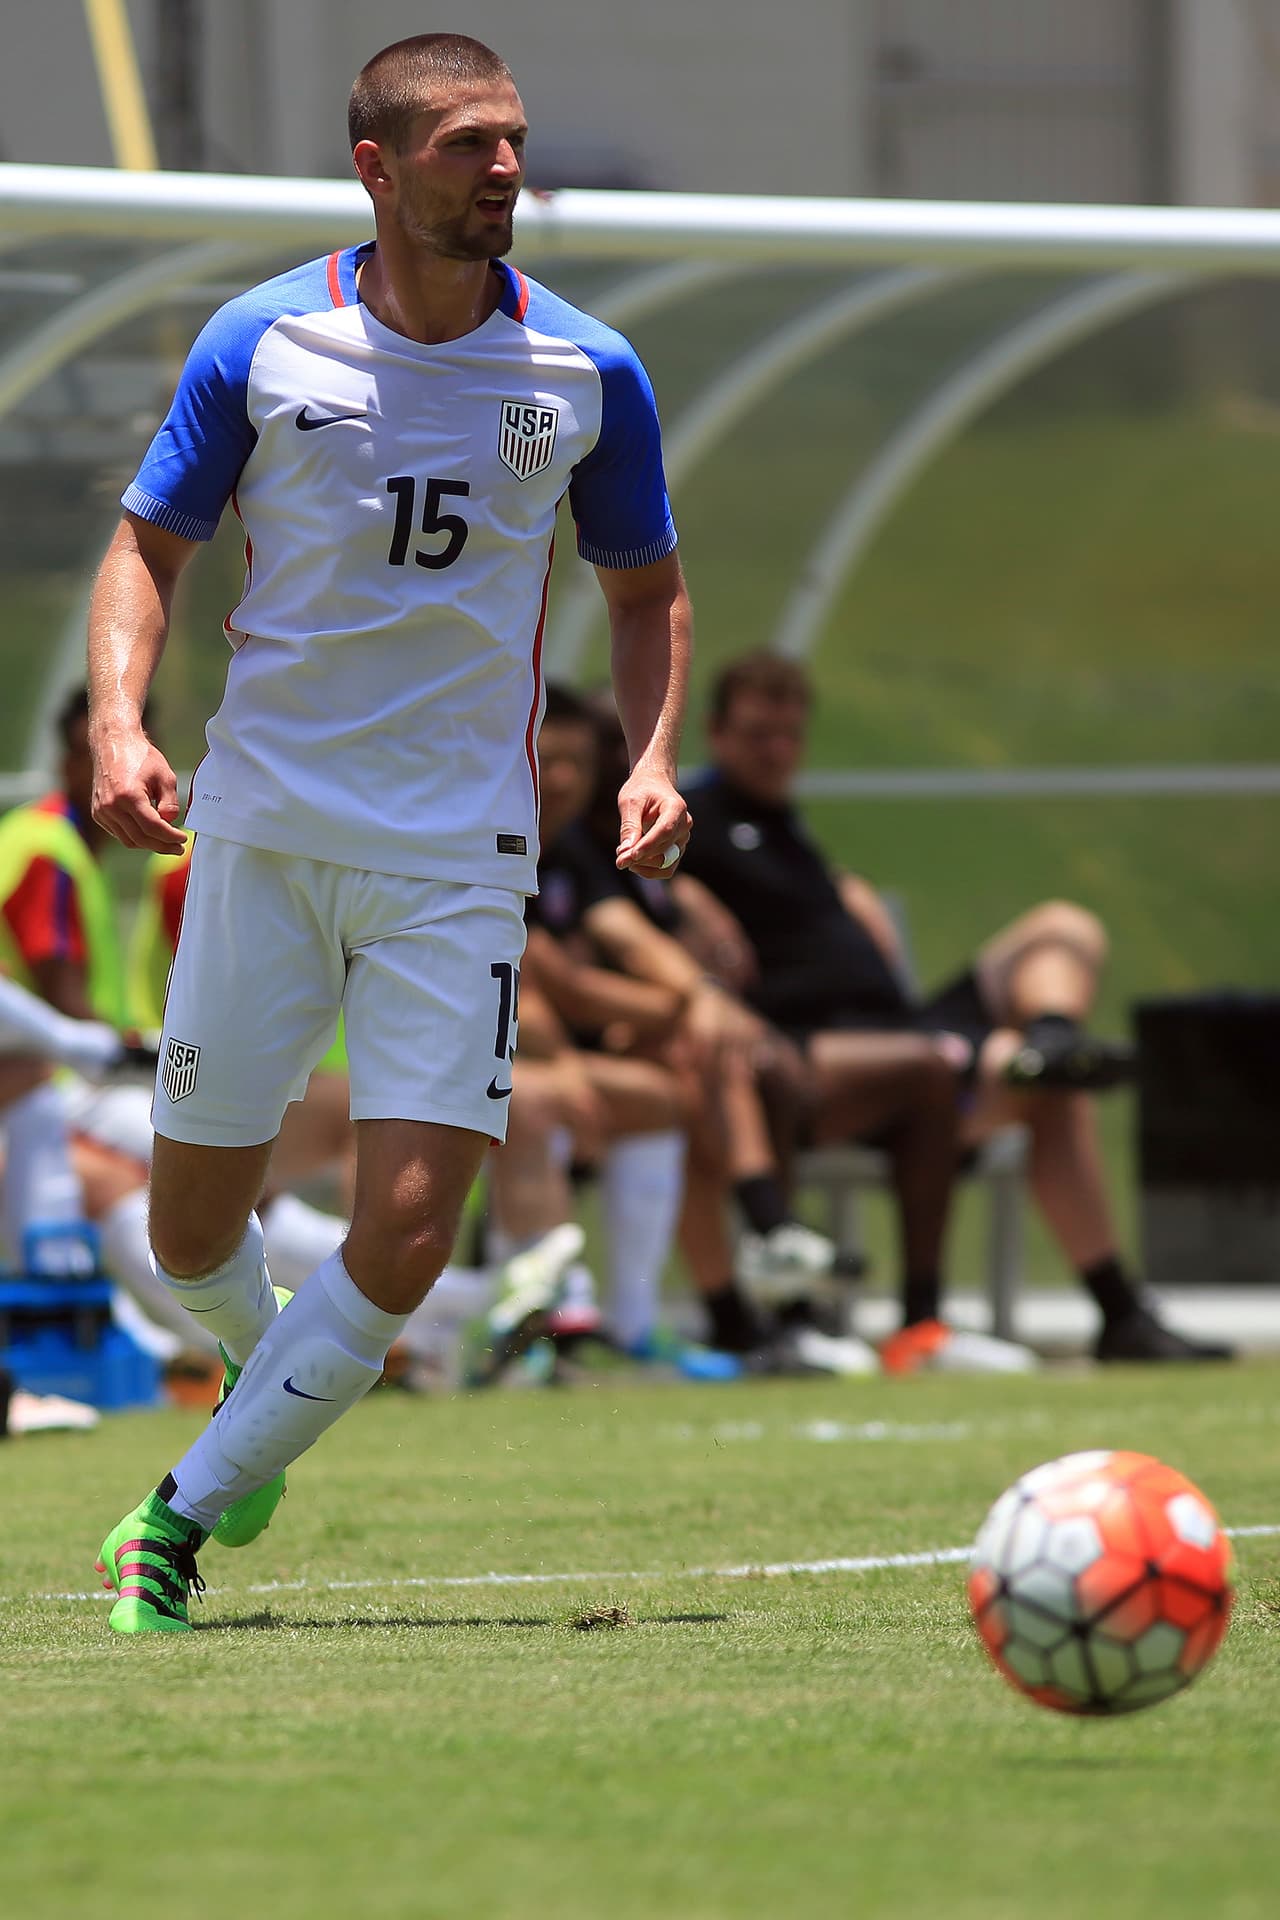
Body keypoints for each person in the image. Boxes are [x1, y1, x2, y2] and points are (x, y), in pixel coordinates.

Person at [87, 31, 691, 1634]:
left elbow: (646, 588)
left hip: (459, 859)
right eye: (466, 145)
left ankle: (180, 1514)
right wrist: (115, 722)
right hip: (267, 832)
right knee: (190, 1226)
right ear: (378, 165)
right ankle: (253, 1361)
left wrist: (649, 756)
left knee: (415, 1228)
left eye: (512, 141)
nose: (504, 169)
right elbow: (151, 544)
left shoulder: (588, 372)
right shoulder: (259, 341)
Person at [680, 652, 1233, 1369]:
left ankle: (1052, 1040)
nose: (778, 752)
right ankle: (937, 1314)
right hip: (817, 1058)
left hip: (904, 1029)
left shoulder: (790, 829)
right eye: (759, 735)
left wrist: (849, 900)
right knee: (1010, 1079)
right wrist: (685, 903)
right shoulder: (694, 826)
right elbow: (657, 926)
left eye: (791, 735)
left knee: (1064, 930)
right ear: (717, 734)